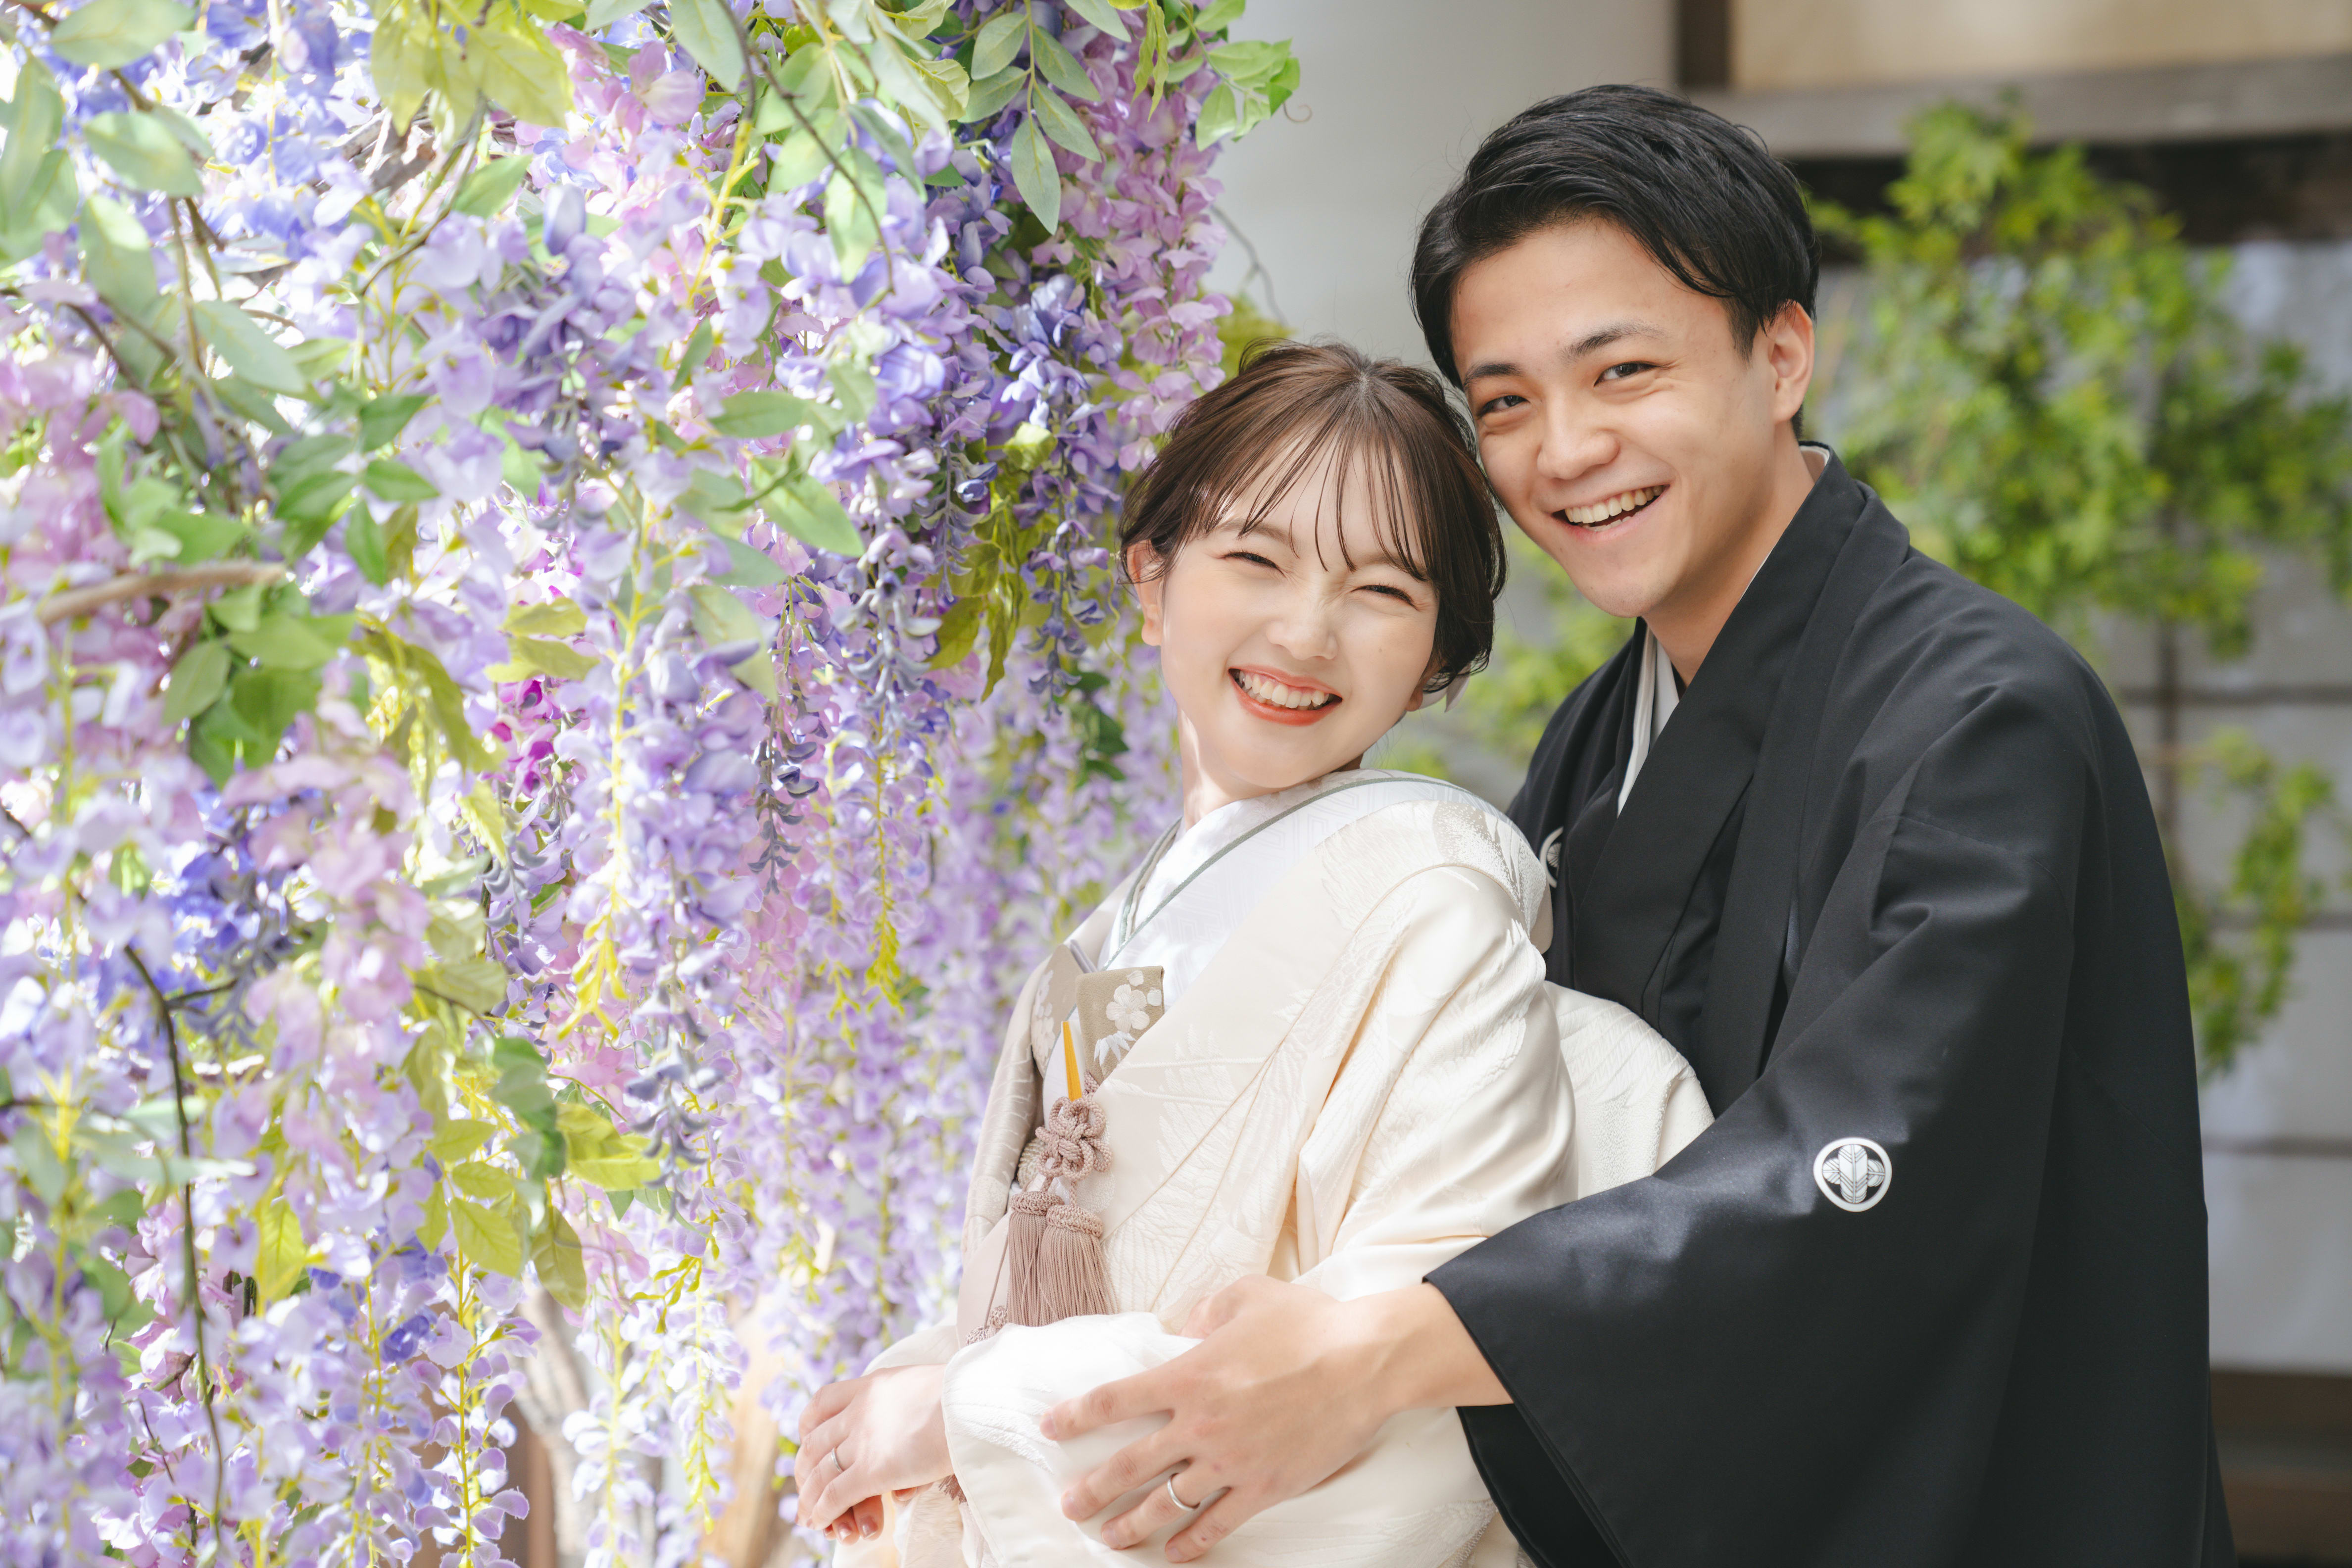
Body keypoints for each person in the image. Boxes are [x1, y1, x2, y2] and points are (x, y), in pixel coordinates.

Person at [1038, 86, 2234, 1568]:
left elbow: (1859, 1174)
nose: (1567, 450)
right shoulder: (1600, 741)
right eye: (1507, 403)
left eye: (1623, 372)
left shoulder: (1984, 717)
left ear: (1781, 356)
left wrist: (1379, 1352)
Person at [789, 341, 1709, 1566]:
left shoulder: (1429, 903)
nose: (1306, 633)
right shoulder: (1117, 929)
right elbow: (1087, 1269)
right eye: (1257, 560)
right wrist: (906, 1400)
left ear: (1435, 664)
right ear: (1152, 578)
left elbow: (1422, 1335)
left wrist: (961, 1416)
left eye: (1382, 592)